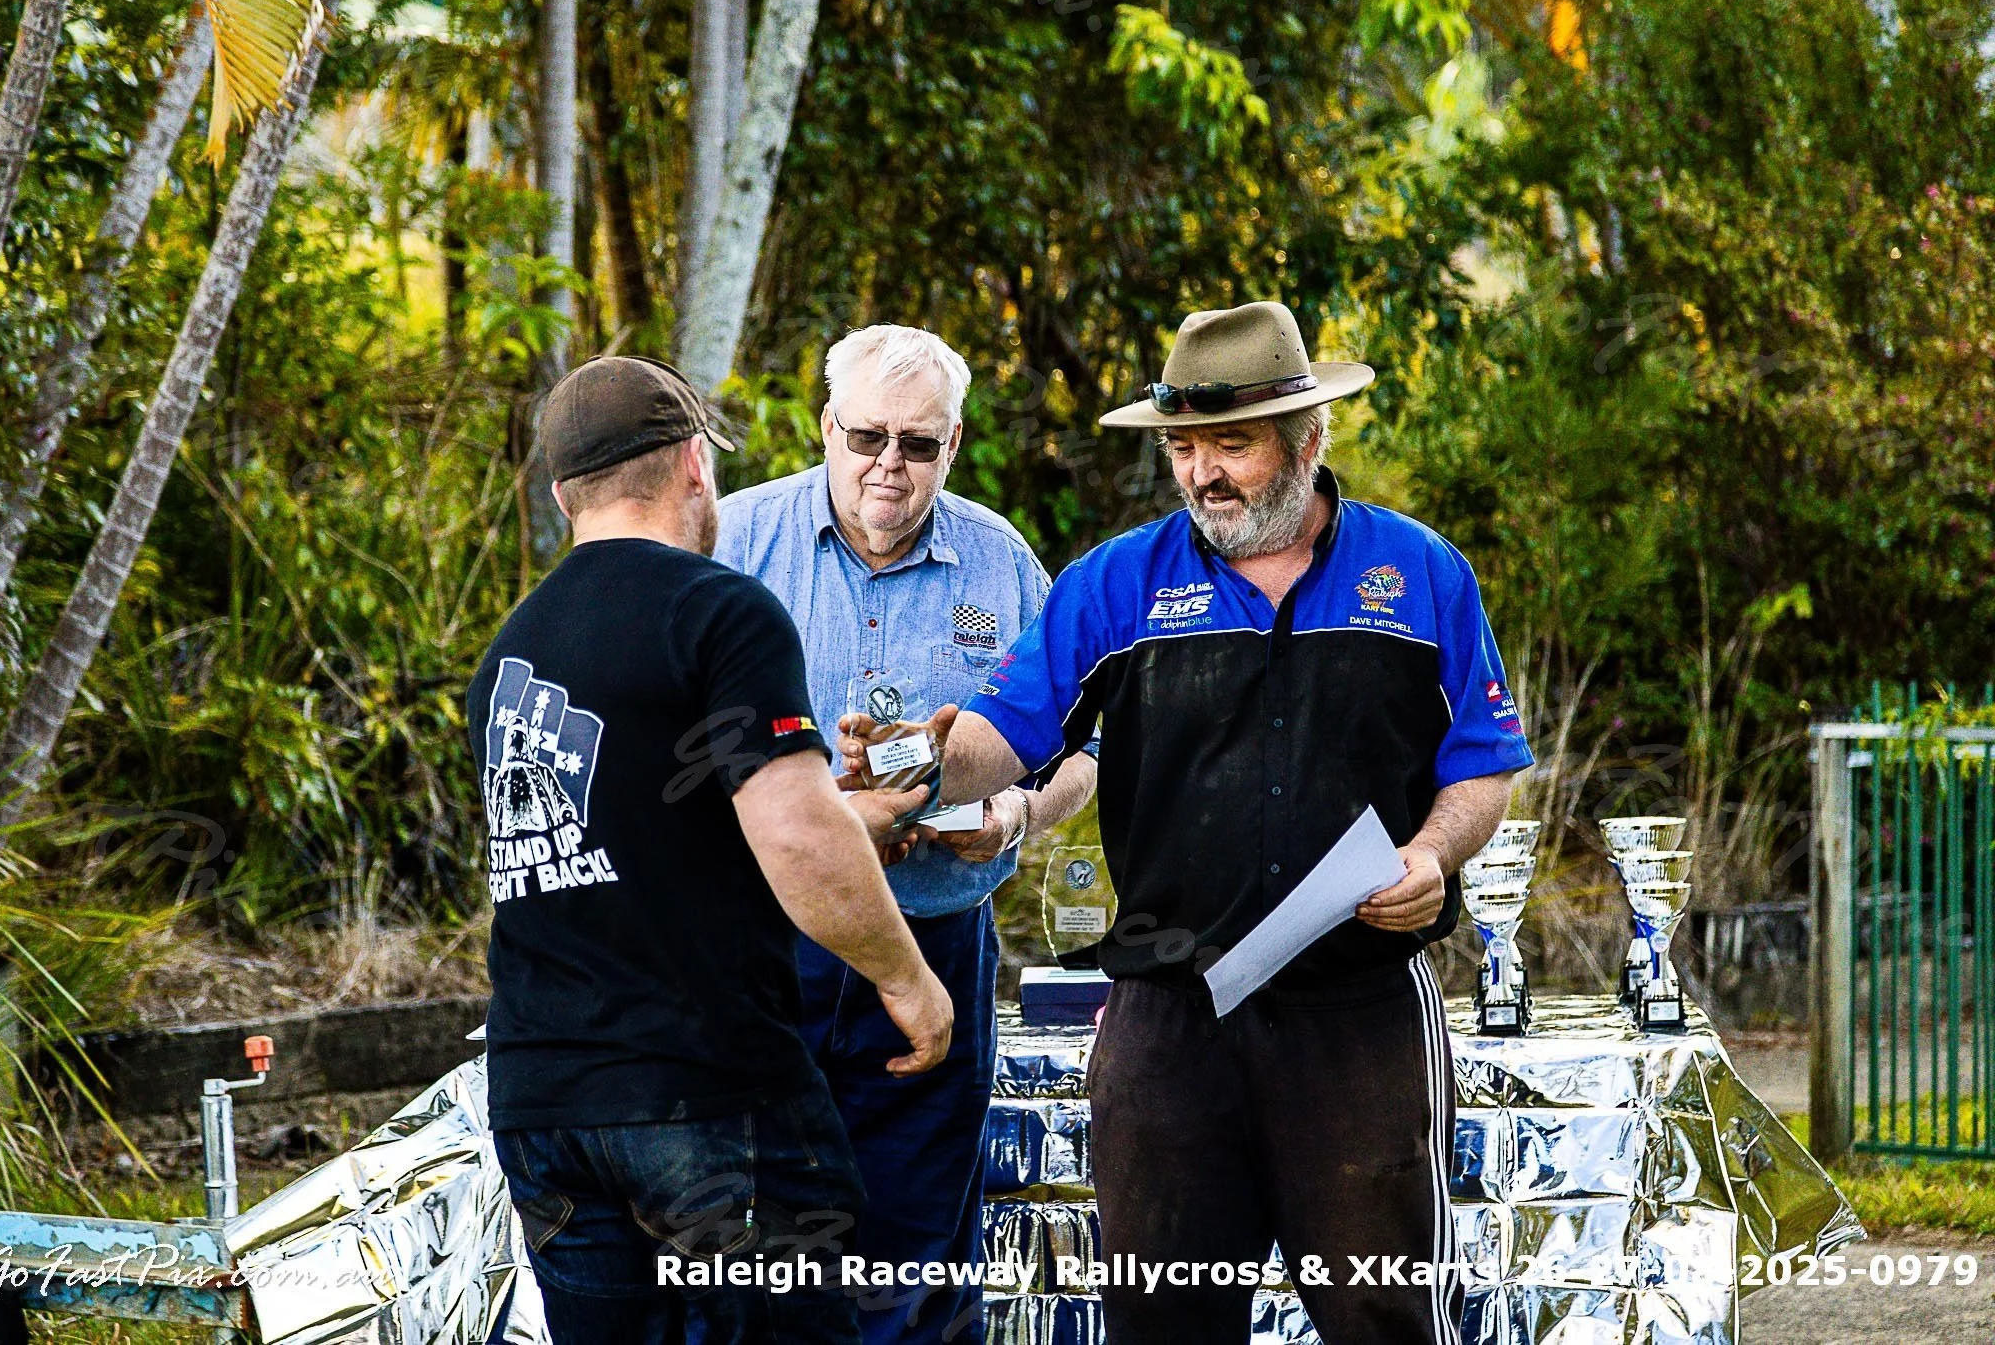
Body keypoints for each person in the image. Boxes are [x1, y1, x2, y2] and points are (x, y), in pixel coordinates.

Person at [839, 302, 1536, 1345]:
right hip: (1167, 1022)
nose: (1203, 473)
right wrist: (922, 761)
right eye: (1182, 448)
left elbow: (1482, 768)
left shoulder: (1420, 573)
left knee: (1381, 1320)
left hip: (1358, 1018)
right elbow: (1004, 734)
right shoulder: (1114, 584)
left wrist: (1432, 854)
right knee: (1161, 1322)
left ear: (1307, 442)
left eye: (1232, 445)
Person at [467, 355, 954, 1345]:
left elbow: (633, 828)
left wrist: (827, 812)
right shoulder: (717, 611)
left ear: (563, 493)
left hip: (542, 1102)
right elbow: (794, 835)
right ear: (695, 464)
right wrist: (910, 983)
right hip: (703, 1095)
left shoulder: (511, 651)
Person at [717, 325, 1097, 1345]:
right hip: (762, 950)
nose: (889, 464)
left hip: (936, 940)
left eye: (918, 444)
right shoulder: (729, 543)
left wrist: (1015, 810)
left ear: (955, 442)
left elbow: (1082, 751)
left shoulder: (1001, 563)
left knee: (917, 1272)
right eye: (867, 436)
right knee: (758, 1267)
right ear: (824, 427)